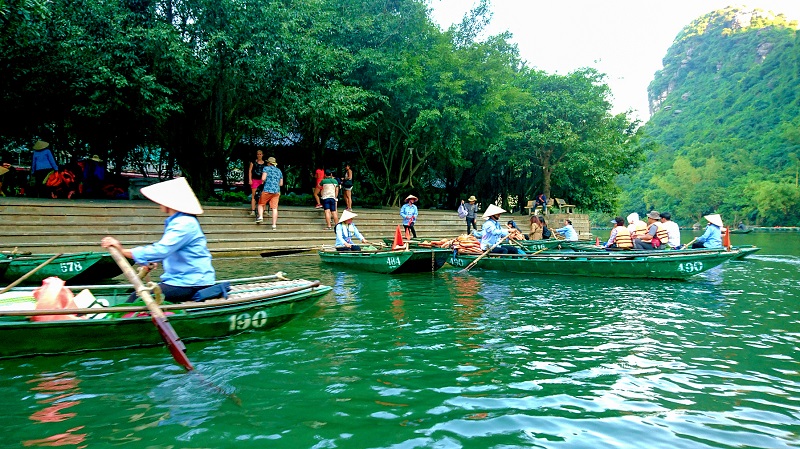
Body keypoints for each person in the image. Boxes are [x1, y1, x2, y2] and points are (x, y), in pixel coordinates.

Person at [100, 177, 215, 303]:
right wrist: (152, 260)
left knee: (136, 299)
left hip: (192, 282)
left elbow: (161, 250)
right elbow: (167, 250)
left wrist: (122, 251)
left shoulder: (184, 223)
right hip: (183, 280)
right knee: (135, 295)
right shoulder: (179, 221)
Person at [256, 156, 283, 230]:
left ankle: (261, 217)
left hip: (267, 189)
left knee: (261, 204)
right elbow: (281, 184)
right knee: (274, 208)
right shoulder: (279, 171)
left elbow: (263, 178)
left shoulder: (266, 168)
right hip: (276, 191)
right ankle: (274, 225)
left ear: (268, 163)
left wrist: (264, 181)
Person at [247, 150, 266, 216]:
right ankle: (253, 210)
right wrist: (250, 179)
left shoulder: (265, 163)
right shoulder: (253, 162)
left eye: (260, 154)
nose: (259, 155)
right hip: (255, 179)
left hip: (262, 180)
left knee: (263, 195)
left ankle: (264, 210)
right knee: (254, 195)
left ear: (262, 155)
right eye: (258, 154)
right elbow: (250, 171)